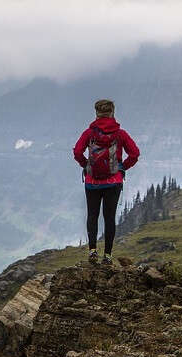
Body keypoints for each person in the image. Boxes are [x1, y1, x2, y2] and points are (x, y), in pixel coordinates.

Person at [73, 99, 140, 265]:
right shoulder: (120, 134)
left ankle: (92, 251)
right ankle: (108, 256)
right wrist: (122, 167)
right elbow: (135, 154)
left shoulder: (89, 133)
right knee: (109, 218)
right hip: (113, 182)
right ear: (112, 113)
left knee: (92, 215)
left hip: (92, 182)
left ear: (96, 113)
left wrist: (86, 165)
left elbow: (77, 151)